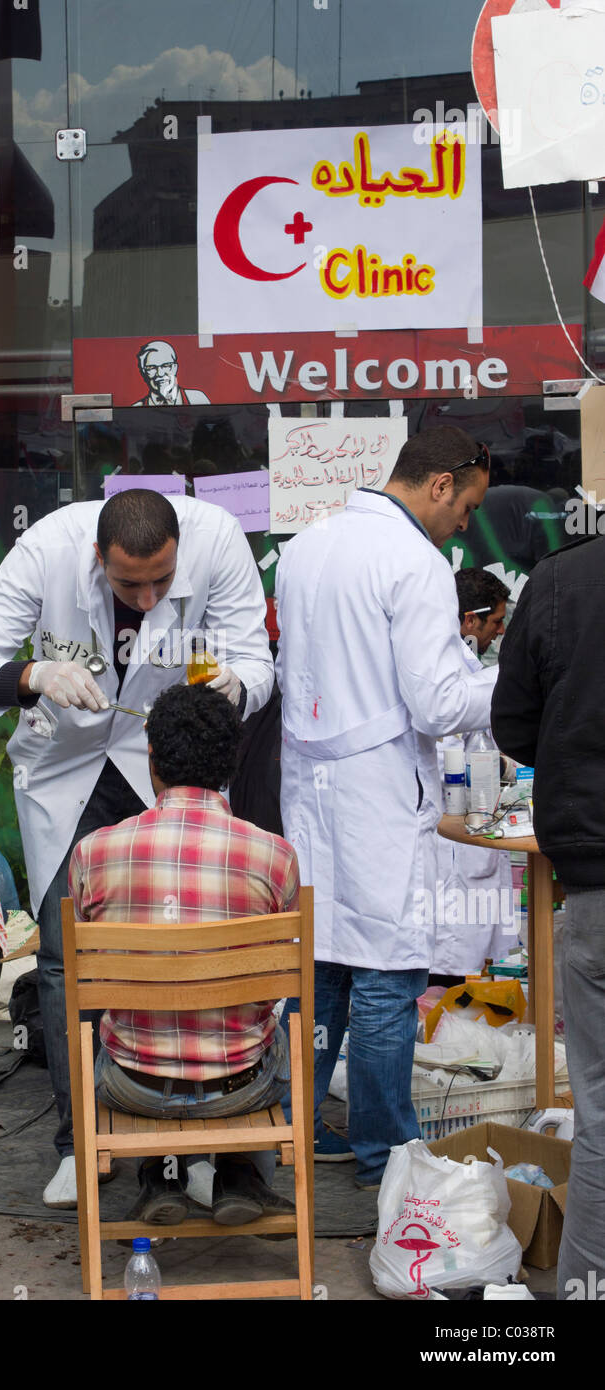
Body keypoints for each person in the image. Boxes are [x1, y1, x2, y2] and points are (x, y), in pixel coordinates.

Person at [0, 488, 273, 1208]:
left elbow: (259, 665)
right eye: (129, 584)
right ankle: (78, 1138)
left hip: (166, 761)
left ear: (180, 549)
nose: (149, 598)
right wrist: (34, 676)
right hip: (69, 769)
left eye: (162, 580)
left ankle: (186, 1142)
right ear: (98, 557)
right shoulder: (48, 550)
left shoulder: (217, 539)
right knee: (65, 956)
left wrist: (233, 685)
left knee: (185, 945)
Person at [275, 426, 496, 1188]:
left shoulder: (307, 546)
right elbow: (438, 705)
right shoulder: (415, 562)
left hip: (310, 779)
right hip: (373, 785)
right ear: (440, 485)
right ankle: (388, 1154)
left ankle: (287, 1126)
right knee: (387, 974)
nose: (464, 522)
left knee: (324, 966)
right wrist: (511, 679)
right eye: (466, 505)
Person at [69, 684, 299, 1225]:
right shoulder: (275, 856)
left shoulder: (92, 853)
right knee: (272, 1029)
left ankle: (162, 1176)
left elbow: (93, 956)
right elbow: (272, 977)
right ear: (230, 761)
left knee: (124, 1025)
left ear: (151, 757)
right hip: (239, 1086)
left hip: (134, 1084)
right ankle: (239, 1177)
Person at [490, 531, 605, 1300]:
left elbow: (514, 725)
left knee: (597, 1114)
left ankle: (585, 1289)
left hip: (593, 884)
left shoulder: (562, 583)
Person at [430, 567, 515, 981]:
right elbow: (446, 761)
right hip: (452, 844)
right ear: (470, 620)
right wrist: (496, 768)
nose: (499, 632)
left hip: (472, 838)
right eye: (496, 621)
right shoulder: (450, 675)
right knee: (446, 973)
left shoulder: (472, 670)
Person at [131, 340, 210, 406]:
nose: (160, 373)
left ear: (175, 368)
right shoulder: (135, 409)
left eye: (166, 366)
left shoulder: (196, 398)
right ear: (143, 372)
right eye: (152, 368)